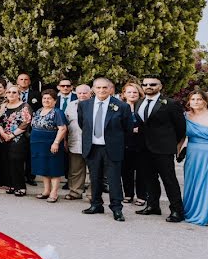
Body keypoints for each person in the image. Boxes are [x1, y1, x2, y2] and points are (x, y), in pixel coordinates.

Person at [134, 75, 187, 222]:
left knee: (169, 180)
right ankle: (153, 206)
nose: (148, 86)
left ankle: (177, 210)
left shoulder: (171, 103)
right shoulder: (139, 103)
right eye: (145, 84)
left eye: (152, 84)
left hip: (163, 148)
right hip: (144, 148)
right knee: (149, 179)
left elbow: (180, 128)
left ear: (160, 86)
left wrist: (171, 144)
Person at [79, 77, 130, 221]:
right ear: (93, 89)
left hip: (112, 148)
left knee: (114, 179)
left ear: (110, 89)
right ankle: (96, 204)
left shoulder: (121, 106)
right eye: (98, 88)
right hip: (92, 147)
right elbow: (83, 124)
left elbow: (127, 129)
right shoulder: (84, 105)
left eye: (104, 88)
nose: (101, 90)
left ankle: (117, 208)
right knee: (95, 178)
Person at [30, 89, 68, 202]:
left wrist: (56, 143)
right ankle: (46, 191)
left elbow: (63, 129)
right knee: (43, 167)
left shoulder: (57, 112)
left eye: (49, 98)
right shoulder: (38, 111)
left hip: (51, 143)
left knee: (54, 168)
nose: (46, 100)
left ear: (55, 101)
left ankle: (54, 193)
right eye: (44, 98)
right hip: (38, 144)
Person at [181, 90, 208, 226]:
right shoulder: (185, 116)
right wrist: (177, 152)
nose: (195, 102)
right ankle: (191, 209)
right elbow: (181, 137)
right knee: (193, 180)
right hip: (193, 153)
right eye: (193, 99)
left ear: (205, 101)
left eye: (199, 99)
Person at [0, 85, 32, 197]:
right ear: (6, 94)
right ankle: (11, 185)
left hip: (18, 138)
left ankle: (20, 187)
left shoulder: (24, 106)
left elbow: (26, 122)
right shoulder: (3, 106)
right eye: (9, 92)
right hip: (3, 138)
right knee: (6, 161)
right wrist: (2, 133)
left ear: (19, 94)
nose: (11, 94)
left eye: (14, 92)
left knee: (16, 161)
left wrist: (11, 135)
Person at [120, 82, 147, 205]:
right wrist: (130, 129)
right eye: (129, 92)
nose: (132, 94)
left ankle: (142, 195)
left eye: (135, 92)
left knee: (142, 171)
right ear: (124, 94)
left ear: (139, 94)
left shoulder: (143, 107)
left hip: (142, 144)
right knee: (126, 171)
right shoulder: (119, 107)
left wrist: (139, 129)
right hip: (124, 143)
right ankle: (128, 194)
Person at [63, 84, 91, 201]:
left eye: (85, 93)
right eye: (80, 93)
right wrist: (64, 140)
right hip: (75, 142)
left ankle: (92, 194)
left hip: (92, 143)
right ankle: (75, 192)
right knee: (75, 170)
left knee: (94, 170)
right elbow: (65, 124)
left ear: (90, 93)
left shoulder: (95, 105)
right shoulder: (70, 105)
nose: (82, 95)